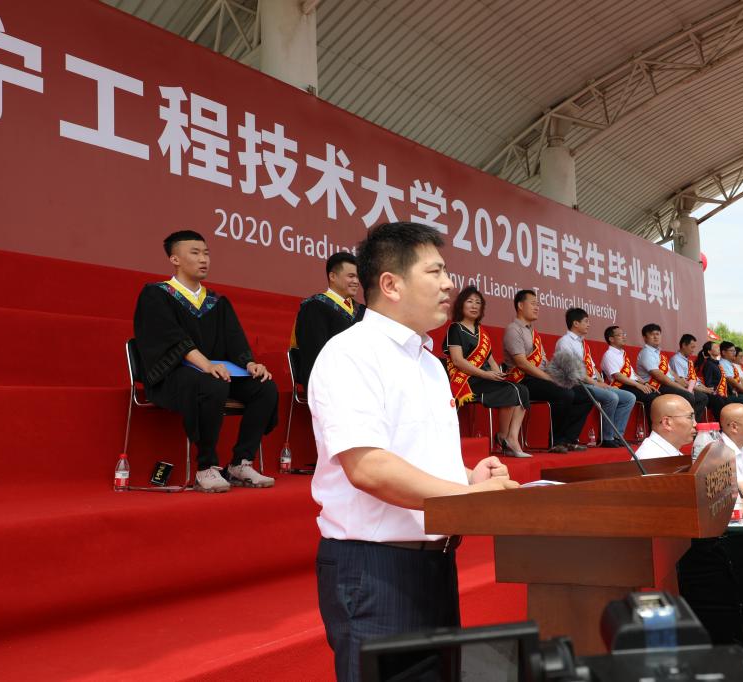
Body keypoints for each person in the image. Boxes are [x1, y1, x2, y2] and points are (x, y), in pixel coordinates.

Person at [308, 222, 519, 682]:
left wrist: (469, 477)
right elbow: (369, 467)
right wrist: (471, 499)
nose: (449, 284)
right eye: (435, 272)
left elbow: (417, 456)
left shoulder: (428, 363)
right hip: (376, 568)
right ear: (391, 284)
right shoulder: (351, 354)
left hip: (436, 560)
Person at [133, 230, 278, 493]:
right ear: (175, 259)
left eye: (206, 253)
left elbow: (235, 340)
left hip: (214, 374)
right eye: (195, 253)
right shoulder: (156, 295)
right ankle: (206, 467)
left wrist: (250, 364)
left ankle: (240, 463)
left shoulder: (217, 302)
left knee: (264, 387)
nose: (203, 259)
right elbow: (172, 339)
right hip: (174, 376)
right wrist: (206, 365)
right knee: (212, 383)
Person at [444, 286, 530, 457]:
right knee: (510, 391)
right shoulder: (455, 329)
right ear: (461, 305)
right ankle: (503, 437)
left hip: (484, 378)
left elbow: (490, 360)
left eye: (478, 302)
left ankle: (511, 437)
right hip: (467, 380)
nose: (474, 305)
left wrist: (499, 375)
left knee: (522, 389)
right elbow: (458, 360)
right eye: (470, 301)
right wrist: (486, 374)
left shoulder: (481, 332)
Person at [504, 290, 591, 453]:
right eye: (533, 304)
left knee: (584, 395)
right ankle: (556, 441)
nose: (537, 307)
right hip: (523, 379)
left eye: (538, 304)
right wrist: (549, 378)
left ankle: (568, 439)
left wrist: (559, 375)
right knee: (565, 393)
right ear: (520, 305)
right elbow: (522, 363)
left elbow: (543, 362)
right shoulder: (513, 329)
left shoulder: (533, 333)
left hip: (539, 377)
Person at [552, 309, 635, 447]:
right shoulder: (565, 342)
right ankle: (607, 438)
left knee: (629, 398)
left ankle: (617, 436)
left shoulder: (582, 343)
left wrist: (600, 380)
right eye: (586, 321)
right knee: (611, 397)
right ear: (575, 323)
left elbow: (592, 366)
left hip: (591, 382)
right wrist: (596, 384)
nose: (589, 324)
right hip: (577, 383)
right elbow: (573, 371)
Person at [292, 251, 363, 387]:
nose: (356, 281)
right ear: (332, 276)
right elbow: (314, 355)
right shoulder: (314, 307)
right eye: (351, 276)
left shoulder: (363, 312)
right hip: (331, 385)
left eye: (357, 277)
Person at [636, 324, 709, 420]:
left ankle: (691, 424)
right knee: (688, 395)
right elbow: (659, 376)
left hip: (667, 384)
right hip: (657, 385)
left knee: (702, 397)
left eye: (658, 334)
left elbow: (671, 372)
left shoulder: (658, 354)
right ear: (645, 337)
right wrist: (681, 388)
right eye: (652, 334)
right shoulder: (646, 353)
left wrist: (682, 383)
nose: (656, 337)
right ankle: (684, 424)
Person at [601, 325, 659, 433]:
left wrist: (645, 383)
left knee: (657, 394)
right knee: (651, 397)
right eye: (620, 335)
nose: (624, 337)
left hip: (631, 383)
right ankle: (653, 432)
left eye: (624, 334)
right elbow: (618, 376)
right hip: (620, 385)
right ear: (611, 339)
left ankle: (658, 430)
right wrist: (638, 385)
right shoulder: (609, 354)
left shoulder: (622, 354)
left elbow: (633, 374)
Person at [634, 394, 697, 460]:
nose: (695, 424)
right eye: (690, 417)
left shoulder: (664, 454)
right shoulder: (651, 458)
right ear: (667, 423)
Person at [694, 341, 731, 420]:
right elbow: (709, 384)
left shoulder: (717, 364)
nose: (718, 348)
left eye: (718, 347)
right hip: (713, 393)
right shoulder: (708, 364)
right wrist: (716, 392)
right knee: (721, 401)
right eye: (715, 347)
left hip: (721, 392)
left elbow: (724, 380)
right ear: (709, 351)